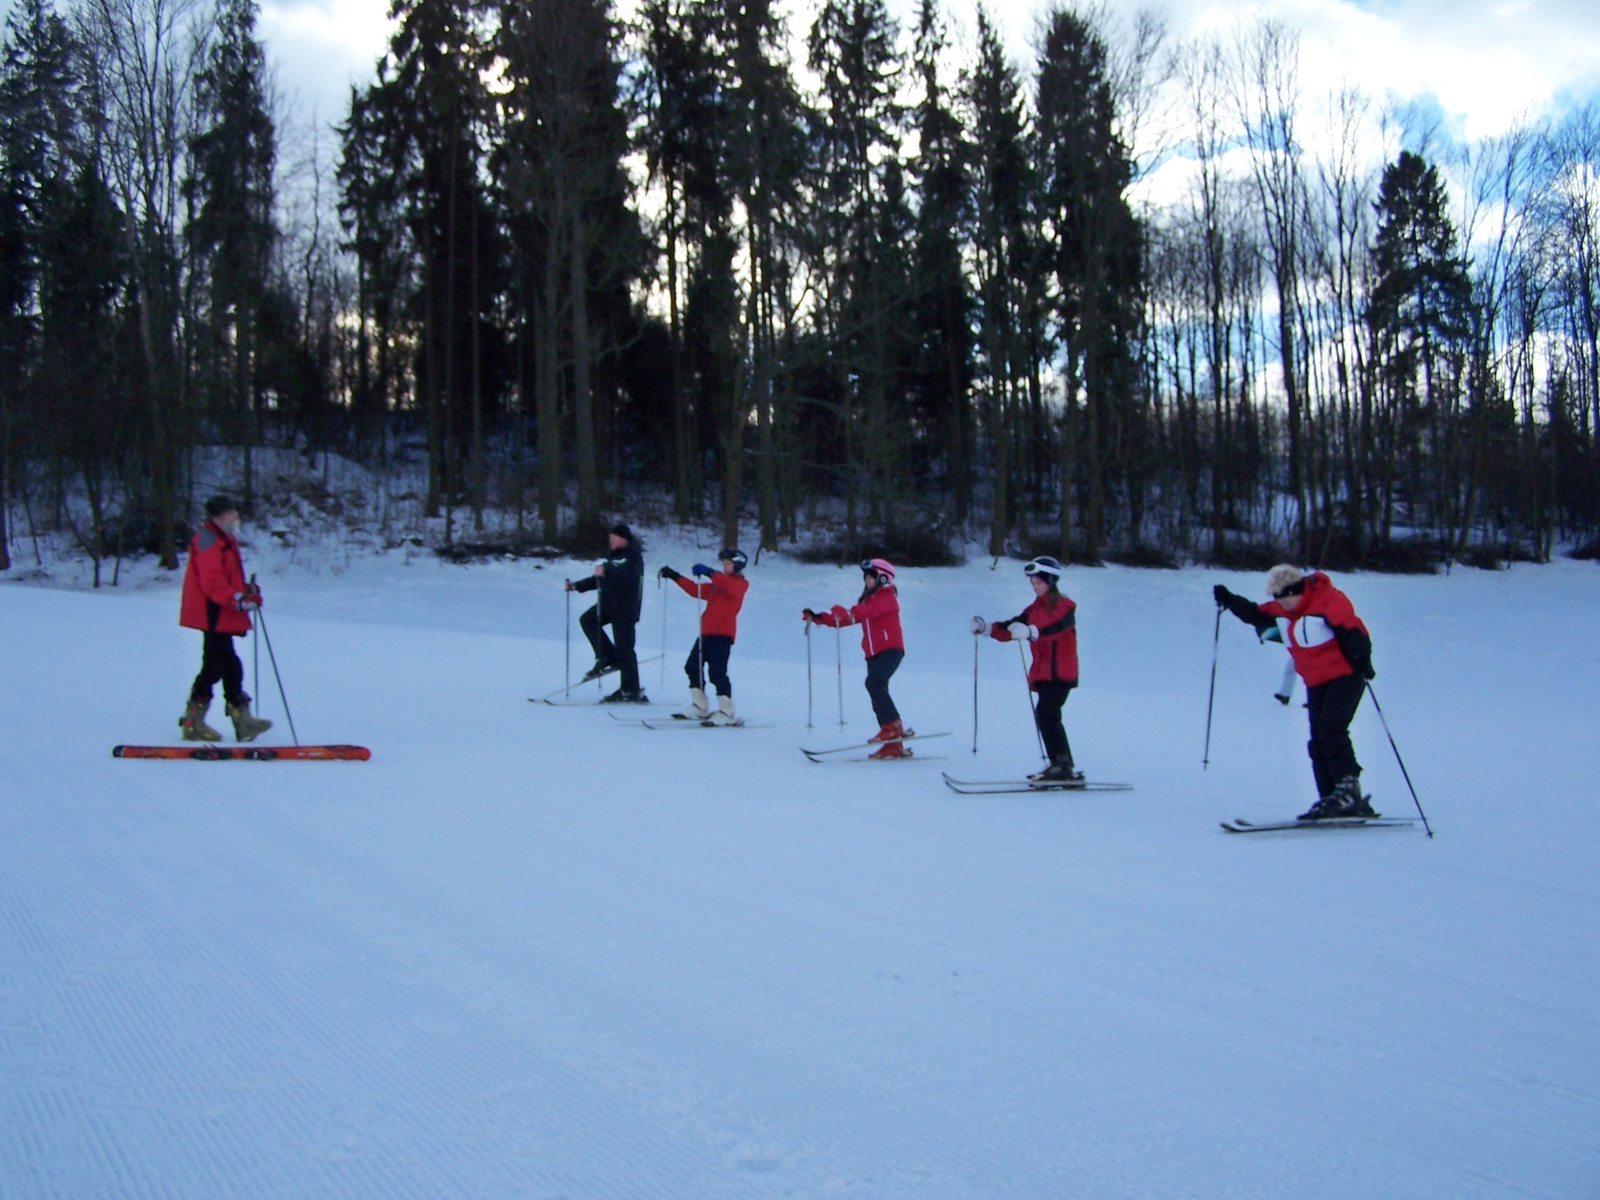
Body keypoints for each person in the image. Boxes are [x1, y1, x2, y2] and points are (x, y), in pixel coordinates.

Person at [1213, 565, 1377, 820]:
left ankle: (1348, 791)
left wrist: (1361, 656)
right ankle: (1330, 797)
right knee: (1317, 739)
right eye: (1277, 598)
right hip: (1315, 679)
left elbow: (1351, 628)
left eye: (1286, 596)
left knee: (1332, 730)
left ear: (1298, 590)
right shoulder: (1282, 609)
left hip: (1346, 673)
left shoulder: (1328, 599)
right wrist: (1230, 600)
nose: (1282, 604)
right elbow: (1256, 614)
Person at [973, 555, 1081, 783]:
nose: (1035, 586)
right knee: (1046, 715)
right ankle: (1061, 764)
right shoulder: (1034, 608)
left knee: (1047, 714)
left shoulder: (1064, 607)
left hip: (1060, 672)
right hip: (1044, 674)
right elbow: (1011, 626)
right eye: (1032, 582)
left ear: (1051, 581)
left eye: (1038, 582)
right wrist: (987, 629)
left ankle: (1062, 765)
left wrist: (1031, 632)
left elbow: (1054, 628)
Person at [177, 496, 272, 742]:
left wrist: (246, 590)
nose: (235, 517)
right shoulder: (208, 539)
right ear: (217, 517)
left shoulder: (223, 539)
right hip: (213, 612)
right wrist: (237, 599)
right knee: (216, 665)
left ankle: (240, 720)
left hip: (220, 611)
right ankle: (195, 722)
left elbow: (226, 577)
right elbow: (211, 581)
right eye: (231, 514)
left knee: (228, 665)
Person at [804, 558, 911, 758]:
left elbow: (866, 612)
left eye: (871, 578)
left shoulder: (887, 597)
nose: (867, 582)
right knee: (877, 692)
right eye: (866, 579)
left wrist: (845, 611)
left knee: (874, 683)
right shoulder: (867, 601)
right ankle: (893, 743)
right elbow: (848, 618)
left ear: (882, 578)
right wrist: (820, 617)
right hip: (873, 654)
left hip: (890, 649)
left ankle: (893, 726)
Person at [658, 548, 749, 726]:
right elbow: (695, 590)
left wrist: (709, 572)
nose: (724, 566)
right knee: (692, 667)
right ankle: (700, 704)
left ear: (737, 566)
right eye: (723, 563)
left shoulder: (740, 584)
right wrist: (675, 576)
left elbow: (729, 587)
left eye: (728, 563)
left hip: (722, 635)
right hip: (706, 633)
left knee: (717, 672)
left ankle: (726, 710)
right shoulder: (717, 584)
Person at [567, 523, 646, 703]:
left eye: (614, 537)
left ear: (623, 538)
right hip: (608, 605)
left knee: (625, 648)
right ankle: (607, 655)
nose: (610, 540)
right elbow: (600, 579)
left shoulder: (633, 556)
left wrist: (607, 570)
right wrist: (576, 586)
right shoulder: (612, 556)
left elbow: (628, 576)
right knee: (587, 620)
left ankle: (630, 689)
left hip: (625, 609)